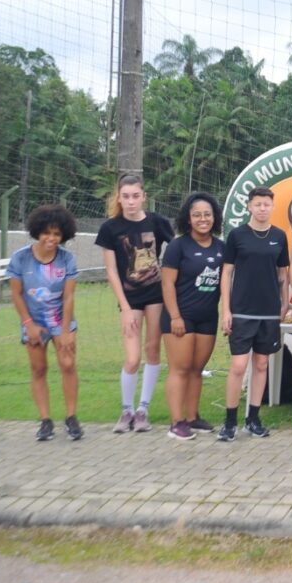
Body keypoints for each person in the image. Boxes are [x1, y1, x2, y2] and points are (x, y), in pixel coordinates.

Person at [95, 174, 175, 434]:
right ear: (119, 197)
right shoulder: (110, 229)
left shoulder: (158, 223)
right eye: (125, 196)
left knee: (153, 351)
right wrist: (126, 307)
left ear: (144, 197)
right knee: (132, 358)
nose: (130, 201)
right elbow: (111, 271)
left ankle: (142, 410)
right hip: (130, 299)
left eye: (135, 196)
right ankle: (126, 409)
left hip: (156, 295)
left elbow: (175, 253)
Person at [218, 186, 292, 441]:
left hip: (269, 312)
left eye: (267, 204)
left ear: (272, 207)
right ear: (249, 206)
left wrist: (285, 304)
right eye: (258, 204)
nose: (262, 208)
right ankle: (229, 421)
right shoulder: (237, 236)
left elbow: (283, 274)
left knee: (261, 364)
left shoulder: (280, 237)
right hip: (241, 312)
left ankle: (253, 418)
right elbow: (226, 273)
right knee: (239, 366)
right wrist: (225, 310)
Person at [7, 204, 81, 441]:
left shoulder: (67, 260)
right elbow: (16, 294)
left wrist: (66, 330)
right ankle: (45, 420)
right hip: (33, 320)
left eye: (57, 234)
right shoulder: (21, 258)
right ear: (37, 231)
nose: (51, 238)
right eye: (47, 232)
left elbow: (69, 296)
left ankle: (71, 417)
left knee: (68, 364)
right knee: (39, 369)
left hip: (60, 319)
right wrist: (28, 324)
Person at [159, 192, 225, 440]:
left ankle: (192, 417)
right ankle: (176, 422)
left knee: (197, 369)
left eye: (207, 214)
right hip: (180, 318)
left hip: (207, 318)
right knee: (180, 368)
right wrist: (175, 317)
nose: (202, 219)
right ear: (188, 218)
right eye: (197, 215)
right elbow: (167, 285)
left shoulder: (221, 248)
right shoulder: (178, 246)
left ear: (214, 217)